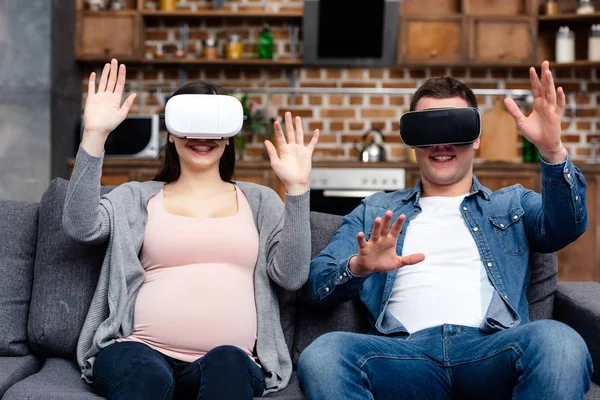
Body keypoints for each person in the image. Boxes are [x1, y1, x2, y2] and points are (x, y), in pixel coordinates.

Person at [297, 61, 592, 400]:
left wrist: (552, 151)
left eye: (455, 129)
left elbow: (566, 227)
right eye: (429, 133)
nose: (441, 145)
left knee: (559, 341)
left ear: (476, 138)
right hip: (402, 355)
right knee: (324, 353)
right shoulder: (376, 211)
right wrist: (357, 267)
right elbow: (315, 286)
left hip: (491, 349)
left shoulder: (511, 204)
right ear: (412, 141)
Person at [62, 59, 319, 399]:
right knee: (145, 379)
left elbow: (291, 277)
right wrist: (94, 135)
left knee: (228, 363)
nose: (201, 137)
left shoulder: (261, 201)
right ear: (171, 132)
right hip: (139, 350)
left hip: (231, 358)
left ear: (229, 136)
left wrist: (298, 189)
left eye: (213, 126)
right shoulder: (136, 198)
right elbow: (80, 227)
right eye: (189, 124)